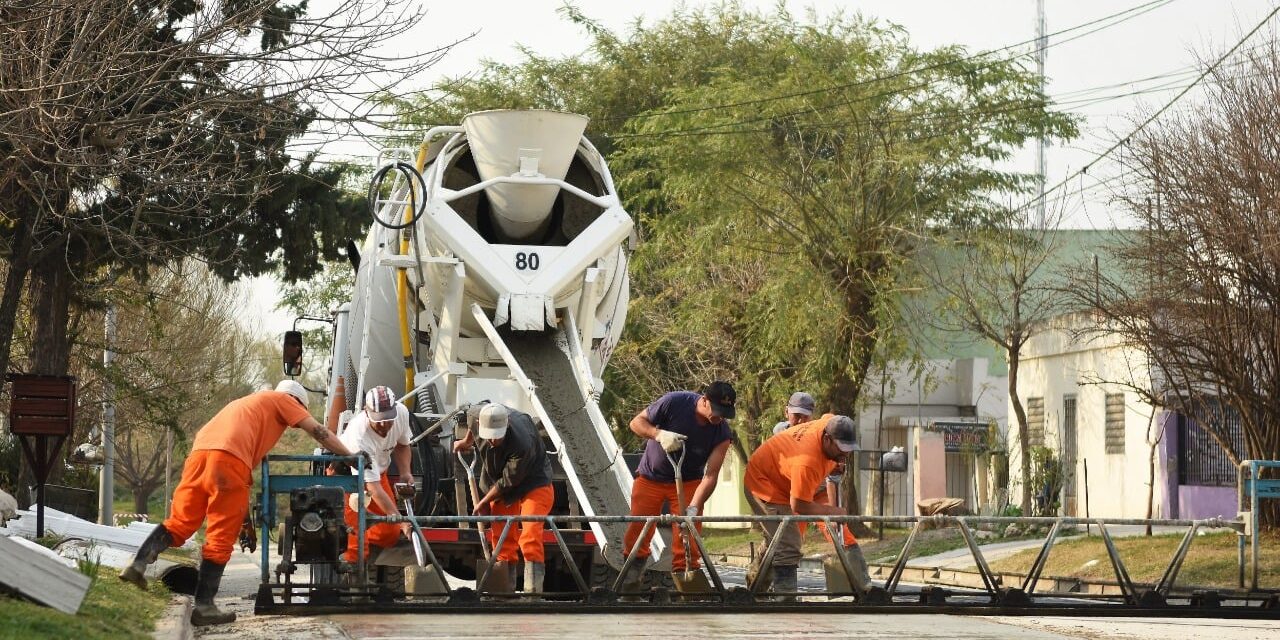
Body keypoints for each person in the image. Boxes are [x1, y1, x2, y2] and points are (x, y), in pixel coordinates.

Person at [119, 380, 357, 626]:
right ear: (297, 403)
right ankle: (204, 607)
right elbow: (319, 431)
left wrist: (246, 524)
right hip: (228, 460)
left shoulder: (248, 406)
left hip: (200, 455)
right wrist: (350, 458)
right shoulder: (285, 400)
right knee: (220, 537)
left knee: (180, 522)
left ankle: (137, 565)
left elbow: (236, 485)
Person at [618, 381, 735, 591]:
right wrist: (659, 434)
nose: (719, 417)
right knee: (639, 529)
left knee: (687, 533)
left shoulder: (722, 433)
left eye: (724, 413)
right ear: (704, 400)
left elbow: (711, 475)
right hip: (650, 478)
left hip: (689, 482)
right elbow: (636, 423)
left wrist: (694, 506)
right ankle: (630, 580)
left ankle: (686, 582)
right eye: (717, 411)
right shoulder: (675, 402)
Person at [745, 414, 870, 600]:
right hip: (764, 484)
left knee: (778, 540)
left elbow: (830, 418)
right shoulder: (807, 462)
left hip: (788, 478)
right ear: (827, 439)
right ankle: (785, 597)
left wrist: (834, 461)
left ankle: (755, 590)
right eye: (841, 449)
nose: (845, 455)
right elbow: (799, 505)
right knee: (788, 542)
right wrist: (831, 511)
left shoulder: (830, 422)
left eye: (849, 449)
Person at [453, 403, 554, 594]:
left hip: (533, 482)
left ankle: (533, 592)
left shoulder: (522, 443)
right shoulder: (477, 415)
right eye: (487, 435)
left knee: (530, 532)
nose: (491, 440)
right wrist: (467, 442)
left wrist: (482, 502)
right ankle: (502, 591)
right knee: (501, 536)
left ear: (506, 428)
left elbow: (506, 483)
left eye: (496, 436)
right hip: (499, 478)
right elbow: (472, 422)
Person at [337, 386, 415, 564]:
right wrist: (403, 522)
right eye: (378, 420)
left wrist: (405, 472)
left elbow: (402, 445)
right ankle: (349, 576)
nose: (383, 425)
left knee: (390, 533)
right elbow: (373, 489)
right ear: (367, 412)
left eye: (388, 420)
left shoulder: (402, 413)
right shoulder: (360, 435)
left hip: (378, 474)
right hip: (348, 477)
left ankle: (363, 545)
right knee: (356, 544)